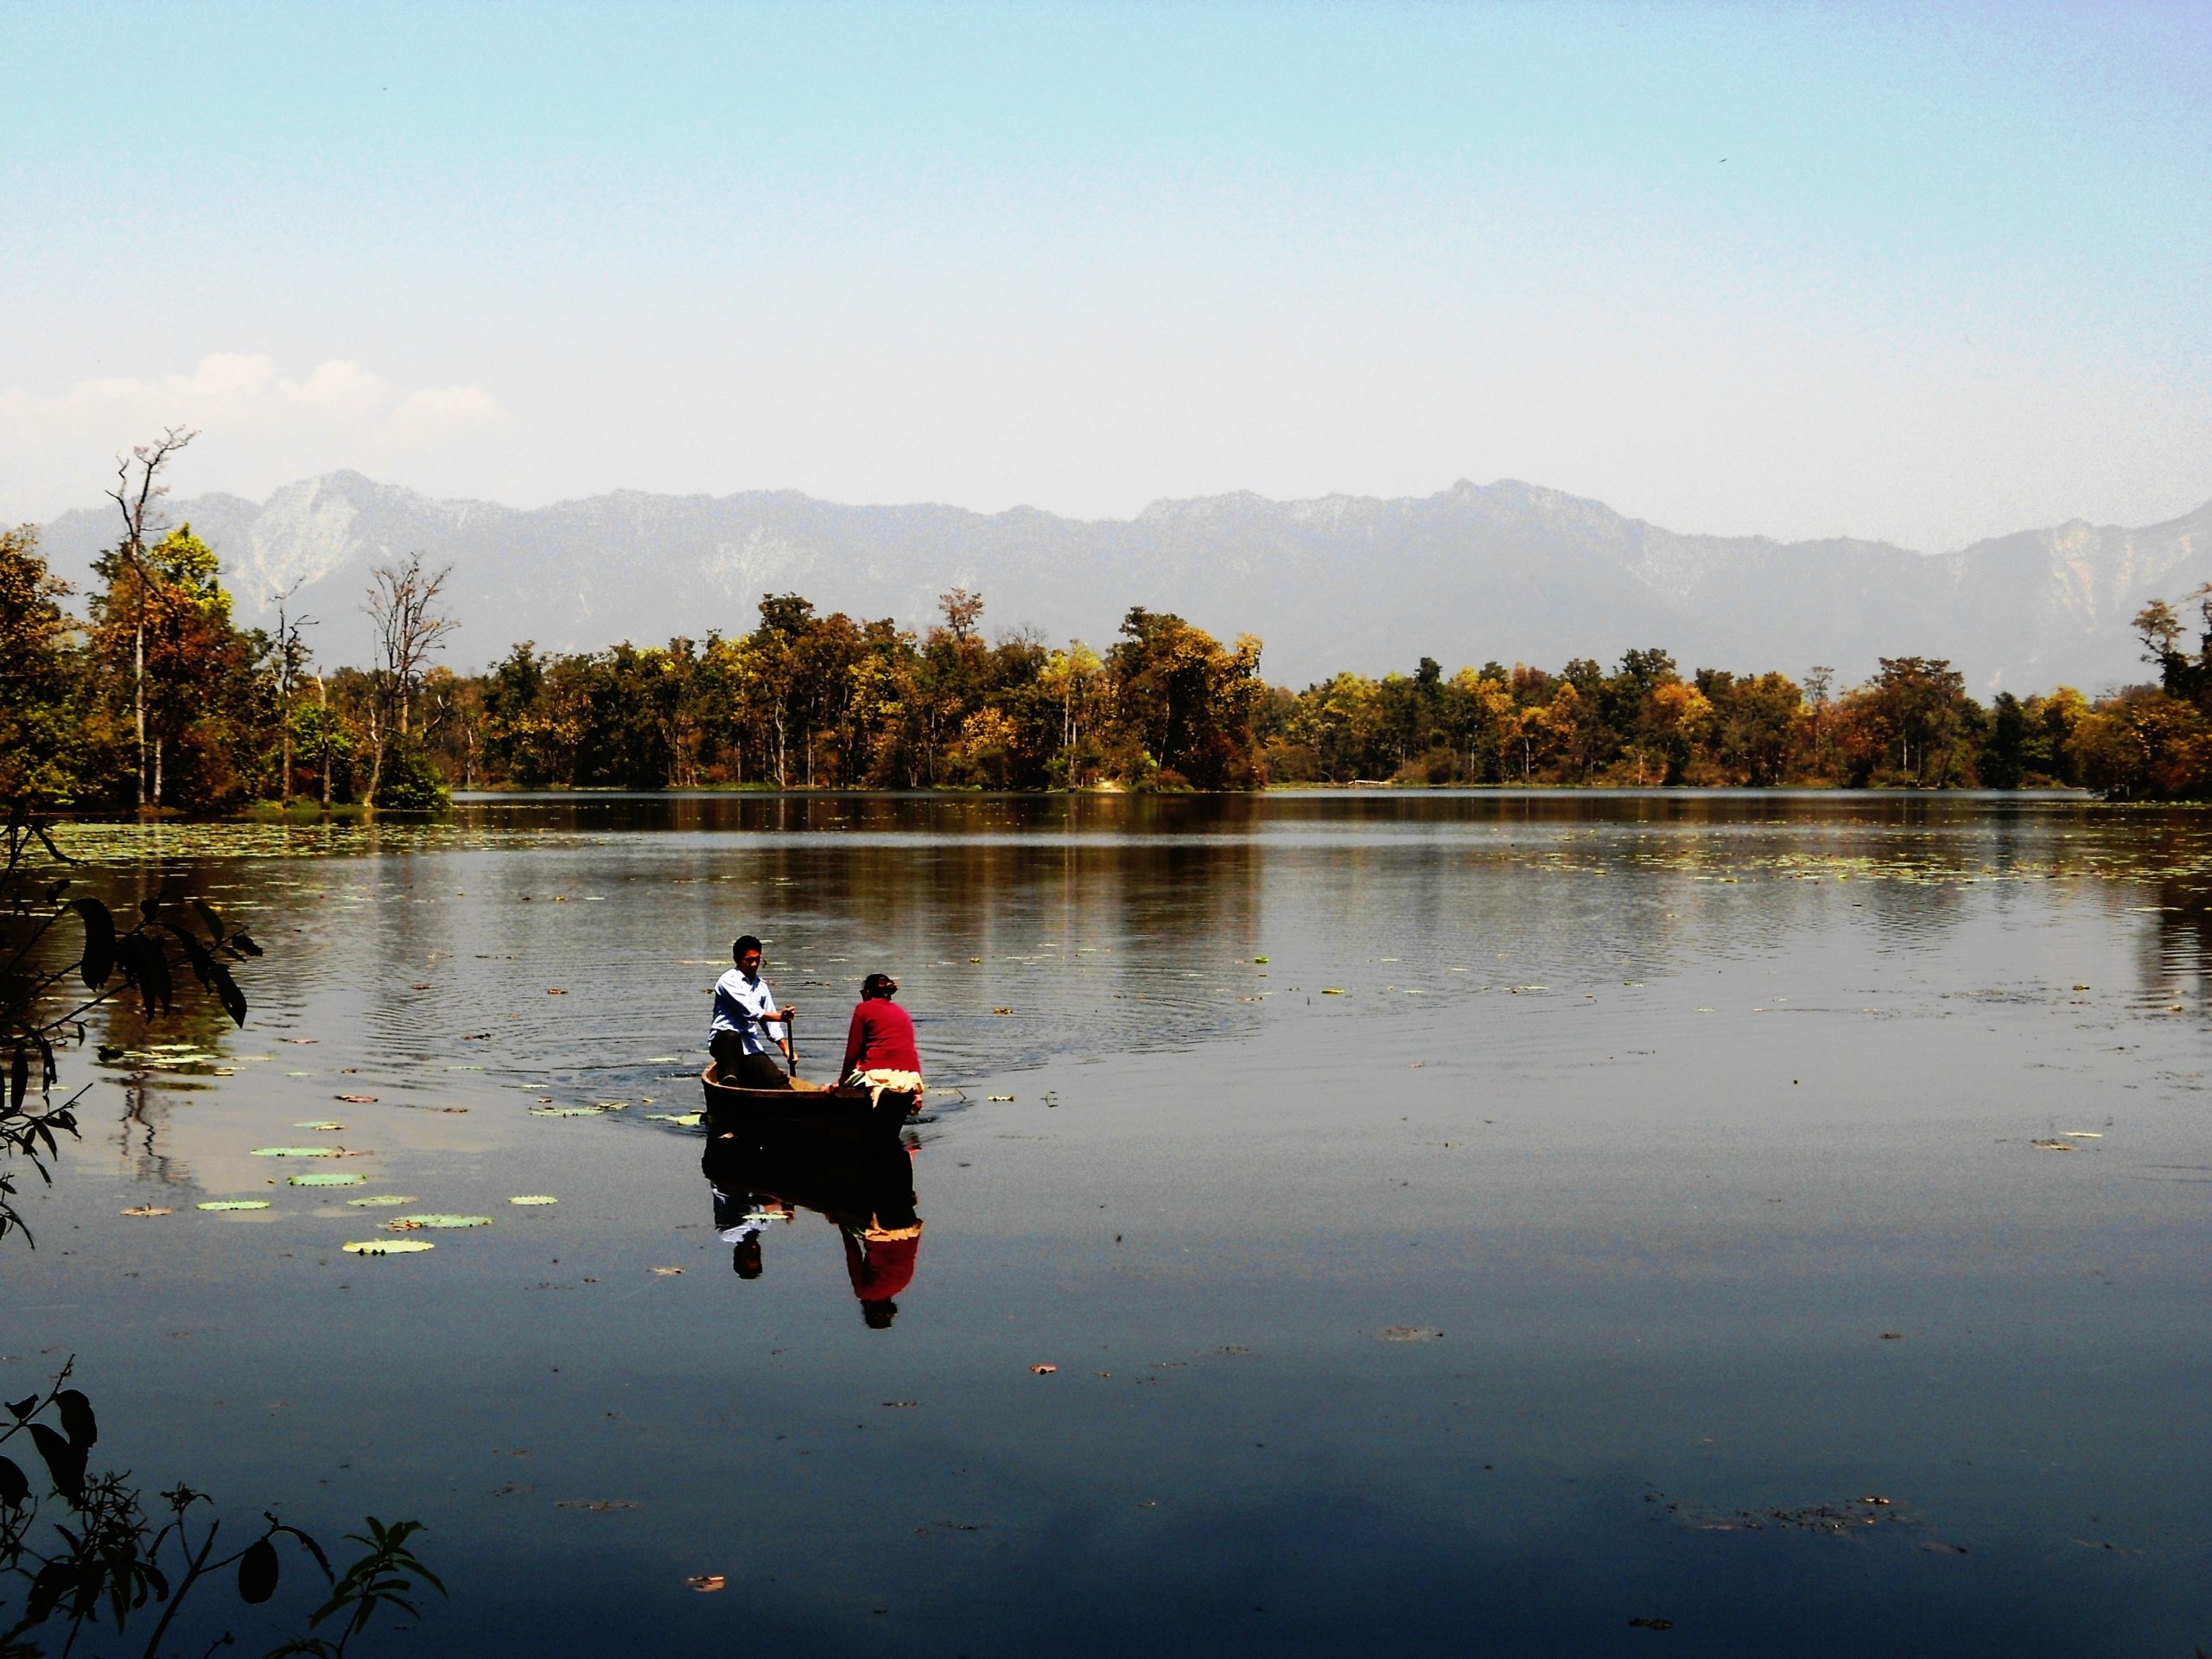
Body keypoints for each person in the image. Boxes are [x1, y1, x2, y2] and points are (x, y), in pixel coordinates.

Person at [709, 935, 797, 1090]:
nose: (754, 964)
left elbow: (770, 1023)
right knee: (732, 1036)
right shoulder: (727, 980)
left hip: (749, 1046)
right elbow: (749, 1011)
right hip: (723, 1043)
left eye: (757, 959)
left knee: (778, 1081)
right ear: (736, 959)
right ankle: (730, 1082)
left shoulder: (761, 986)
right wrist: (780, 1017)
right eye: (749, 960)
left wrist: (786, 1049)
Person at [838, 972, 922, 1106]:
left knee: (832, 1089)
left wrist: (842, 1082)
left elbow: (853, 1052)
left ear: (867, 992)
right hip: (911, 1078)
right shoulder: (902, 1012)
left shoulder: (863, 1008)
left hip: (879, 1075)